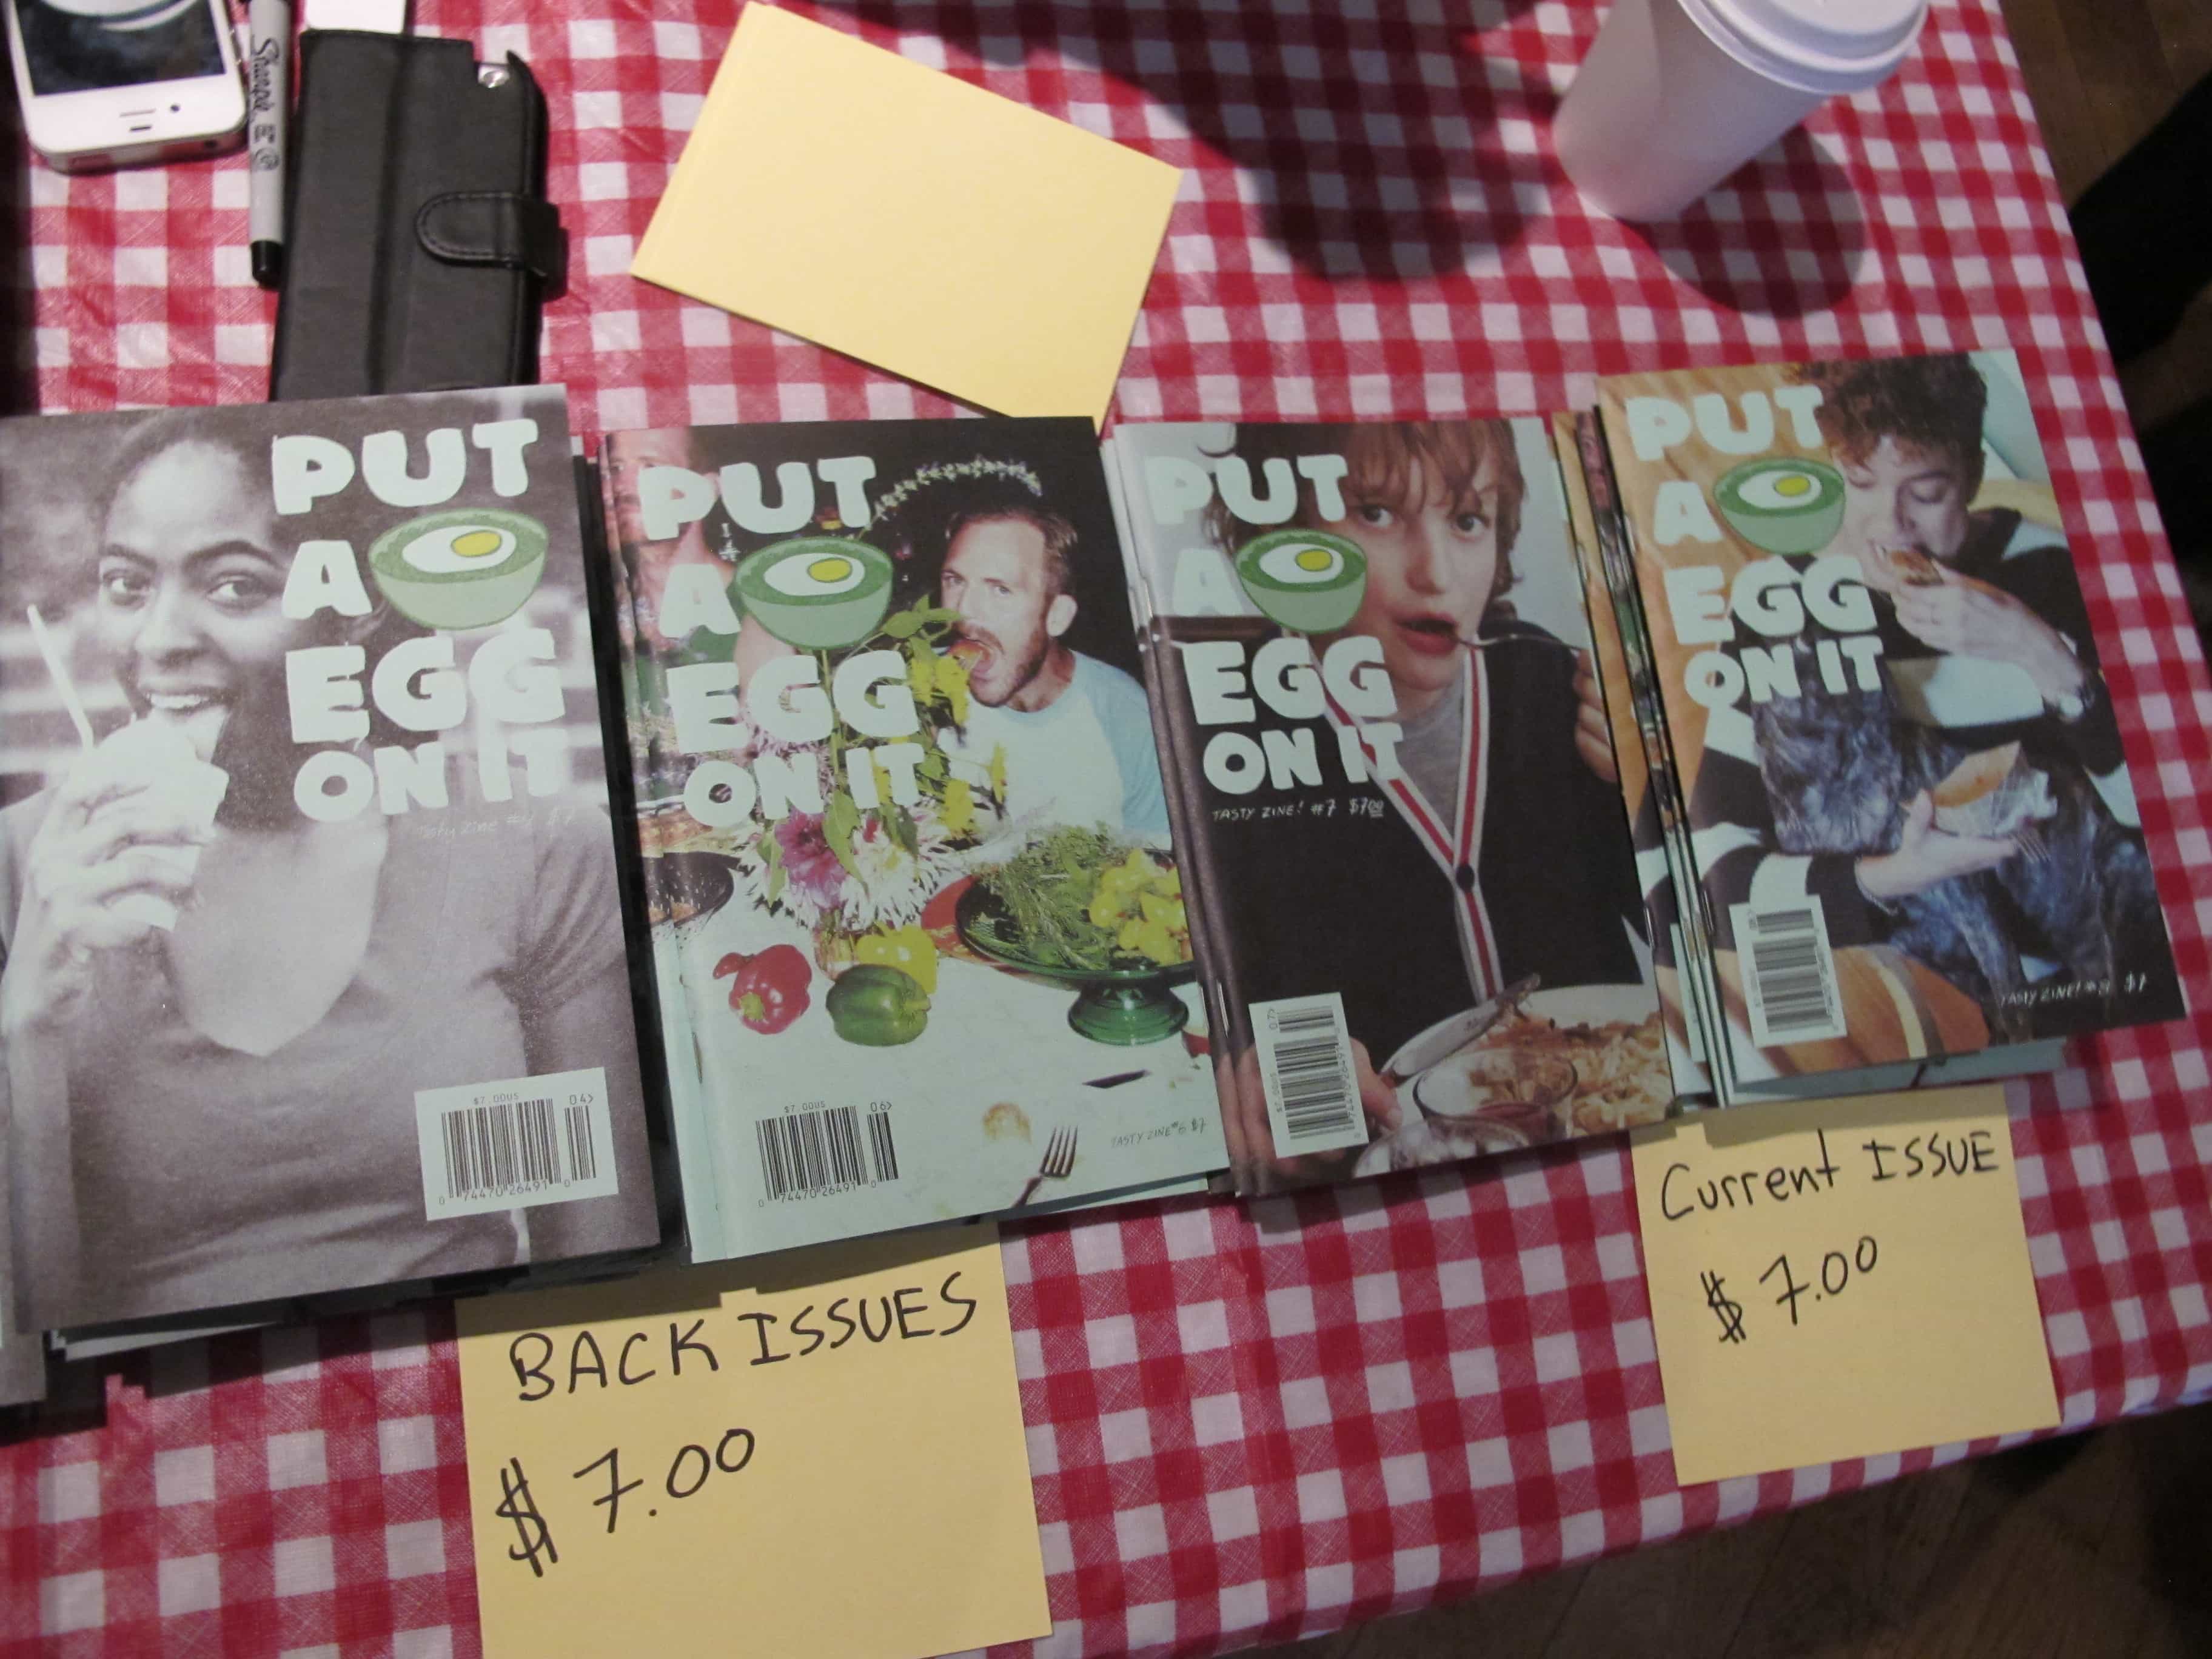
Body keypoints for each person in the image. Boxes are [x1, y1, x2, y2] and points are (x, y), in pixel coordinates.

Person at [0, 411, 654, 1330]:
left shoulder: (532, 848)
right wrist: (26, 1026)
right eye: (127, 585)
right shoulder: (24, 870)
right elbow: (26, 1354)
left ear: (353, 606)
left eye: (234, 586)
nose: (160, 639)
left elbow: (603, 1273)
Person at [1198, 420, 1651, 1189]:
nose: (1436, 573)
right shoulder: (1226, 740)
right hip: (1394, 1181)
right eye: (1376, 513)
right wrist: (1250, 1084)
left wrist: (1655, 794)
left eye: (1468, 520)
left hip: (1605, 1146)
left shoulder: (1561, 691)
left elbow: (1683, 935)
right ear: (1283, 531)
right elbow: (1221, 1017)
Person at [1690, 354, 2175, 1027]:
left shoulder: (2050, 568)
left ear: (1971, 479)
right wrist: (1893, 875)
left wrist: (2042, 654)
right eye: (1860, 484)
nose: (1890, 528)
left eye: (1926, 494)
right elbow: (1717, 864)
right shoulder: (1780, 600)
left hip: (2082, 954)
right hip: (1898, 964)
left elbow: (2164, 824)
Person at [877, 461, 1169, 840]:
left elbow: (1158, 864)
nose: (964, 613)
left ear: (1057, 616)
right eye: (955, 581)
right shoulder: (910, 688)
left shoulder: (1127, 717)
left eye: (1001, 589)